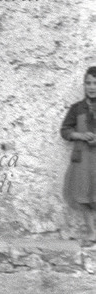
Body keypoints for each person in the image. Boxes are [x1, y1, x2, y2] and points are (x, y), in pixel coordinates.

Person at [61, 66, 96, 241]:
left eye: (95, 83)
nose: (92, 87)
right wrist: (80, 135)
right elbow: (65, 130)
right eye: (88, 83)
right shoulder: (77, 108)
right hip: (82, 159)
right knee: (83, 196)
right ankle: (91, 232)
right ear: (84, 85)